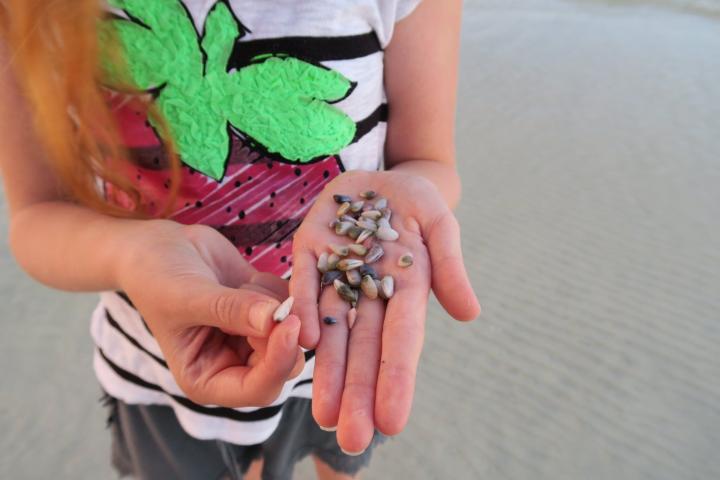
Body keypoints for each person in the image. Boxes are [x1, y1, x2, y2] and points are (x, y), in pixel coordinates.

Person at [0, 0, 480, 478]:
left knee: (340, 453)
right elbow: (36, 215)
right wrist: (130, 255)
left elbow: (427, 160)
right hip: (161, 372)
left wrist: (400, 196)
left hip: (340, 346)